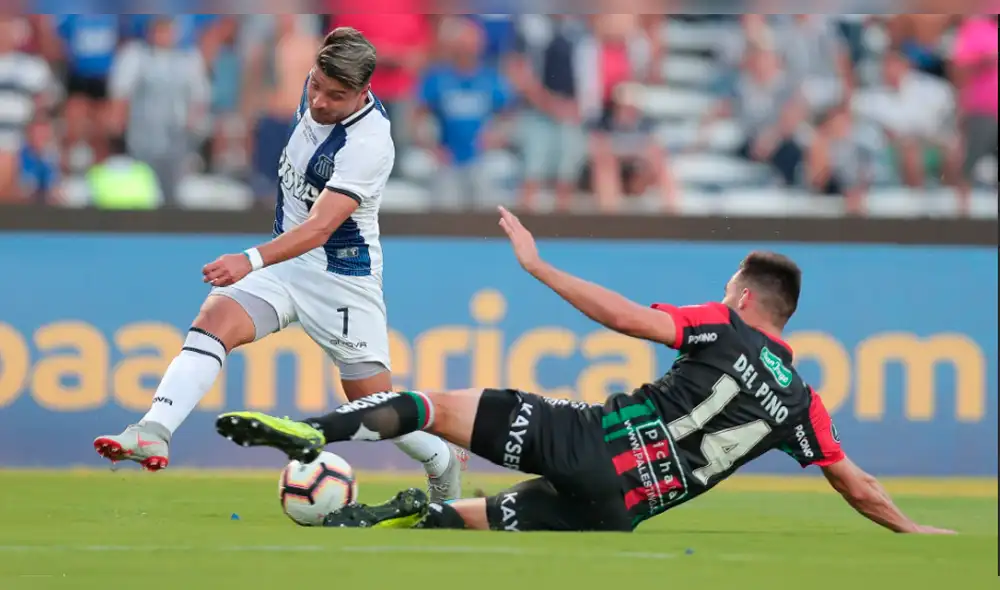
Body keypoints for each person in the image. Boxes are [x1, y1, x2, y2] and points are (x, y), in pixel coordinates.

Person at [214, 206, 955, 535]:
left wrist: (539, 267)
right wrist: (913, 529)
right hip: (622, 509)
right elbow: (854, 484)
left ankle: (315, 432)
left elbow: (628, 318)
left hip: (591, 441)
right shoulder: (801, 402)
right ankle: (396, 512)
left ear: (745, 297)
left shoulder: (721, 322)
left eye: (730, 285)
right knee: (476, 518)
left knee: (430, 405)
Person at [93, 27, 464, 503]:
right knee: (215, 320)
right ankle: (153, 430)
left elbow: (320, 227)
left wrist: (248, 260)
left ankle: (440, 458)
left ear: (363, 92)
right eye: (316, 85)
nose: (320, 101)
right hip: (284, 261)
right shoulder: (314, 86)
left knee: (373, 405)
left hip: (340, 280)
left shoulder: (369, 144)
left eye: (335, 96)